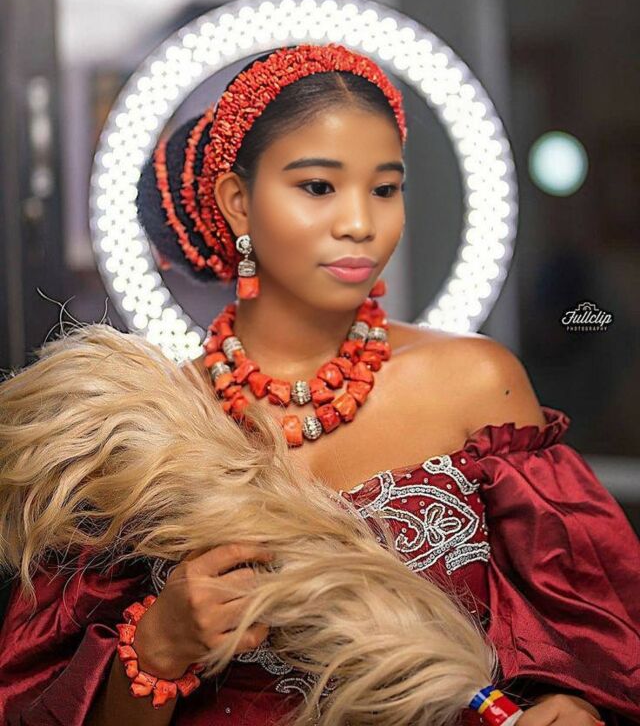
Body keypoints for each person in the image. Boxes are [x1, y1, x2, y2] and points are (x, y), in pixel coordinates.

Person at [0, 43, 638, 725]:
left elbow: (596, 637)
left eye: (385, 189)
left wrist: (570, 701)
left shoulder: (475, 383)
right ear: (238, 202)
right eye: (317, 187)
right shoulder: (144, 439)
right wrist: (159, 647)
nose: (360, 223)